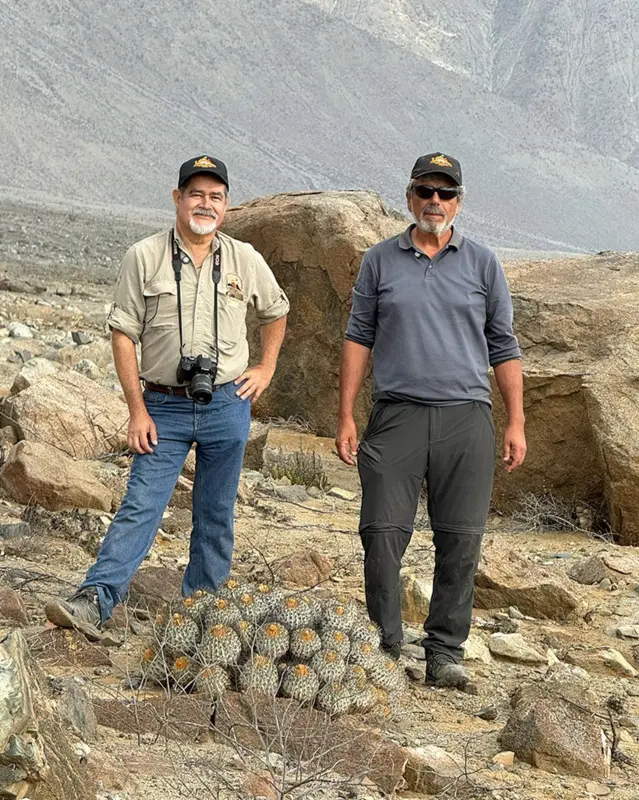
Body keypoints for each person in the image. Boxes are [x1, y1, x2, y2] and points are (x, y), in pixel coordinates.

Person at [45, 155, 289, 639]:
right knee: (142, 505)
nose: (205, 204)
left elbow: (276, 312)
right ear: (177, 198)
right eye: (195, 194)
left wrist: (265, 368)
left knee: (216, 514)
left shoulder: (245, 259)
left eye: (215, 197)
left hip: (227, 403)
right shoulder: (144, 256)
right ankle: (95, 600)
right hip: (163, 407)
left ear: (226, 205)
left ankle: (202, 614)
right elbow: (122, 334)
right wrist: (136, 410)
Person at [335, 153, 526, 688]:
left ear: (459, 202)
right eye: (425, 191)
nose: (434, 202)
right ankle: (386, 646)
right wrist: (346, 415)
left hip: (467, 418)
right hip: (396, 415)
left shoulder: (484, 264)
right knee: (381, 531)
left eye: (445, 193)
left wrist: (517, 422)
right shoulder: (379, 261)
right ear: (410, 198)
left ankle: (444, 653)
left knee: (461, 539)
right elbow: (358, 338)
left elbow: (504, 345)